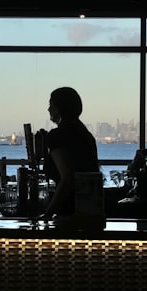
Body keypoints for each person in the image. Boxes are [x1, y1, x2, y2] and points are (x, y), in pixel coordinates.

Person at [40, 86, 100, 219]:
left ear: (58, 108)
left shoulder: (57, 136)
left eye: (51, 104)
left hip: (69, 210)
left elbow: (68, 178)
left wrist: (48, 212)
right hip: (89, 209)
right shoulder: (85, 134)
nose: (48, 109)